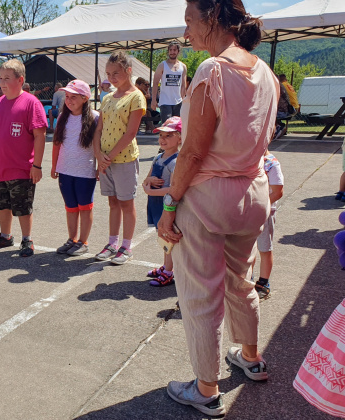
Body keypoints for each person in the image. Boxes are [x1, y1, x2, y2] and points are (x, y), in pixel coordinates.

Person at [158, 0, 278, 415]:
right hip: (252, 195)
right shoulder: (265, 72)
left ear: (213, 18)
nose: (186, 33)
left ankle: (206, 390)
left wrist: (170, 204)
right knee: (239, 281)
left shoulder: (213, 71)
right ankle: (250, 356)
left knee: (200, 295)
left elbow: (192, 152)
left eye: (190, 22)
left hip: (210, 200)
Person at [0, 59, 48, 257]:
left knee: (22, 206)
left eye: (7, 79)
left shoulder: (31, 103)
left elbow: (40, 135)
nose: (1, 83)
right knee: (2, 204)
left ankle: (27, 239)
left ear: (20, 80)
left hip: (21, 167)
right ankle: (5, 235)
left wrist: (37, 165)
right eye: (0, 78)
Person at [93, 51, 146, 265]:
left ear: (128, 71)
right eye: (108, 73)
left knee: (126, 203)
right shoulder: (106, 99)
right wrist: (99, 155)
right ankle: (112, 243)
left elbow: (131, 133)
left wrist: (110, 156)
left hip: (124, 160)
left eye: (116, 73)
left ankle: (126, 246)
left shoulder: (136, 97)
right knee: (113, 202)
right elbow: (98, 130)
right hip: (106, 160)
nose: (112, 77)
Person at [51, 80, 99, 257]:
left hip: (85, 172)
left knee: (85, 207)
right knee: (70, 207)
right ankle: (72, 238)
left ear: (85, 98)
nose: (69, 101)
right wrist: (54, 166)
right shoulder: (63, 116)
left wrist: (99, 166)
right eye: (67, 97)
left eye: (73, 97)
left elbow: (99, 145)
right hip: (65, 170)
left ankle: (83, 242)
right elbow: (57, 143)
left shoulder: (95, 117)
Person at [142, 117, 181, 287]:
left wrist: (152, 191)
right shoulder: (158, 157)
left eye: (169, 136)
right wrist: (148, 181)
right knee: (162, 236)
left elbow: (174, 188)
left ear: (180, 138)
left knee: (168, 238)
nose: (163, 139)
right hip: (155, 203)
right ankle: (166, 266)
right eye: (161, 136)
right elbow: (146, 179)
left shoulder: (176, 161)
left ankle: (169, 272)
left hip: (167, 205)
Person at [250, 150, 284, 300]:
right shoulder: (247, 159)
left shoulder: (271, 163)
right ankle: (248, 278)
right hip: (247, 213)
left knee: (264, 248)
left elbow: (278, 191)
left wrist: (260, 206)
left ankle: (263, 282)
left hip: (265, 213)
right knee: (247, 248)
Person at [151, 40, 188, 123]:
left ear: (178, 51)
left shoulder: (183, 66)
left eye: (174, 50)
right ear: (168, 51)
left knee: (177, 126)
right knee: (167, 125)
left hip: (178, 101)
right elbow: (155, 82)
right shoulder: (162, 65)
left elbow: (183, 85)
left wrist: (183, 100)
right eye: (170, 50)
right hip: (165, 101)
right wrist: (154, 100)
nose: (172, 52)